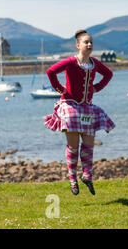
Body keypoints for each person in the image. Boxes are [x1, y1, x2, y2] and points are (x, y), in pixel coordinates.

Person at [44, 29, 115, 195]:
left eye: (91, 42)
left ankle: (87, 175)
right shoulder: (71, 61)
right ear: (78, 45)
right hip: (70, 105)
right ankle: (72, 178)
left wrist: (97, 87)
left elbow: (109, 74)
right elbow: (51, 71)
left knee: (89, 144)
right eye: (86, 42)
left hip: (87, 106)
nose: (89, 45)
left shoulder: (95, 63)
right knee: (73, 145)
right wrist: (59, 88)